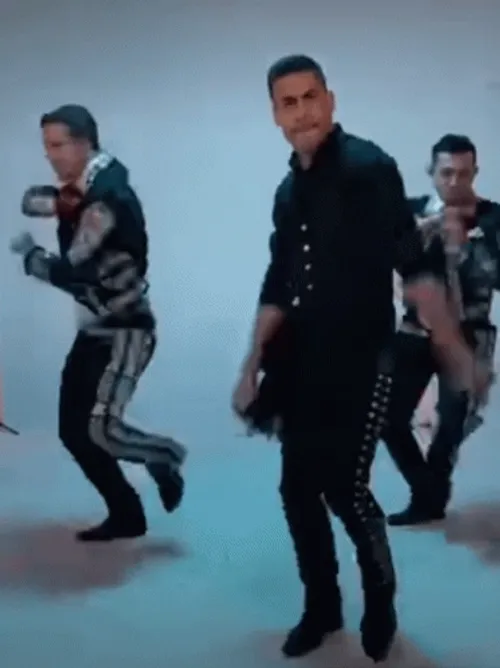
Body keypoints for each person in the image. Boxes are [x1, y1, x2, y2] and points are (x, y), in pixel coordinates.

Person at [231, 56, 486, 663]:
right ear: (274, 114)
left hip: (363, 358)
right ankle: (321, 607)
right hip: (300, 361)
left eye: (310, 97)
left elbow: (413, 263)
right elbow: (279, 279)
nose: (302, 113)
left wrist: (452, 347)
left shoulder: (369, 168)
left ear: (330, 100)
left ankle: (380, 604)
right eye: (288, 103)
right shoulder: (288, 191)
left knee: (345, 489)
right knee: (297, 490)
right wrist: (251, 363)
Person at [10, 105, 187, 542]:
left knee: (101, 430)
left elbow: (73, 270)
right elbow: (30, 200)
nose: (50, 156)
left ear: (84, 144)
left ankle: (164, 454)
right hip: (95, 328)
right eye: (47, 146)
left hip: (126, 329)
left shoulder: (106, 200)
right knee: (74, 432)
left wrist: (33, 258)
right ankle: (127, 515)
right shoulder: (85, 191)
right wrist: (59, 204)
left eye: (57, 145)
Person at [385, 135, 500, 526]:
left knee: (451, 426)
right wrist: (426, 232)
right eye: (446, 173)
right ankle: (428, 494)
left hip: (469, 336)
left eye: (463, 174)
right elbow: (382, 258)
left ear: (475, 173)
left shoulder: (493, 219)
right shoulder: (409, 213)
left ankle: (429, 498)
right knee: (387, 418)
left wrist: (471, 244)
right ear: (431, 172)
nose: (455, 182)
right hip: (416, 330)